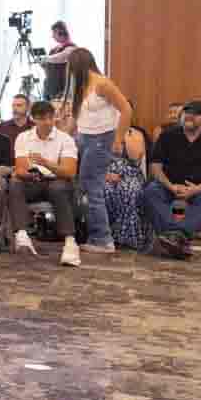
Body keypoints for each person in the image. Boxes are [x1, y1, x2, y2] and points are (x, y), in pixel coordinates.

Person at [62, 48, 132, 254]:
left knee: (93, 188)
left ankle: (103, 239)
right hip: (84, 137)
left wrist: (118, 139)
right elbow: (76, 117)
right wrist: (64, 137)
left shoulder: (102, 84)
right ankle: (95, 235)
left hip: (101, 139)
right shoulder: (82, 85)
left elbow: (127, 109)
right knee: (83, 186)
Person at [142, 100, 201, 259]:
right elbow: (155, 166)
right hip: (168, 186)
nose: (189, 117)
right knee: (150, 192)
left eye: (194, 114)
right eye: (186, 114)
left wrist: (197, 189)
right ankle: (177, 237)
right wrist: (170, 185)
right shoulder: (167, 136)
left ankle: (173, 236)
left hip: (200, 188)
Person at [9, 100, 79, 264]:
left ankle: (70, 241)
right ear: (33, 119)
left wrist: (45, 163)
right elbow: (20, 169)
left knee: (57, 188)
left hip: (59, 181)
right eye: (42, 118)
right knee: (15, 182)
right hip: (35, 180)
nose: (47, 122)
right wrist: (30, 174)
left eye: (50, 117)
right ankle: (22, 233)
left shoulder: (65, 139)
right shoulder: (23, 138)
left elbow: (69, 171)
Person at [104, 125, 151, 253]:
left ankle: (128, 238)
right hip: (104, 173)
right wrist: (105, 175)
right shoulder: (101, 129)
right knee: (107, 191)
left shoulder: (135, 133)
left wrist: (124, 136)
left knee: (129, 190)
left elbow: (135, 157)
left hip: (131, 173)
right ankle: (106, 237)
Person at [41, 21, 76, 101]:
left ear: (61, 32)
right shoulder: (54, 49)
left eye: (54, 33)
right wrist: (44, 65)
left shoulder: (71, 47)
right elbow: (49, 67)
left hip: (61, 88)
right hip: (50, 87)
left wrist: (45, 58)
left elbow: (61, 58)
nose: (52, 36)